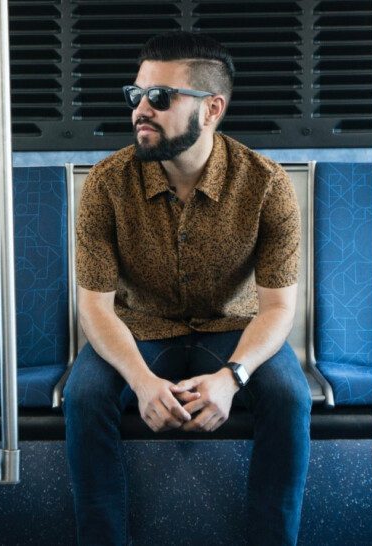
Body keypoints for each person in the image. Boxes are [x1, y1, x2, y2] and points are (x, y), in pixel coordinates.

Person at [63, 31, 311, 546]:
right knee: (84, 396)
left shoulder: (267, 185)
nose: (141, 110)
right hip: (139, 329)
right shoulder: (106, 185)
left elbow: (279, 307)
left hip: (233, 328)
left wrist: (232, 377)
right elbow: (94, 307)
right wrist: (139, 380)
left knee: (289, 395)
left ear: (212, 108)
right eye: (136, 95)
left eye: (160, 97)